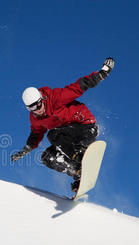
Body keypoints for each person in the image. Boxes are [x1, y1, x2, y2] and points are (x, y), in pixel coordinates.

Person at [11, 57, 115, 192]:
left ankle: (79, 156)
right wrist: (26, 149)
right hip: (68, 140)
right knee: (48, 157)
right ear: (28, 109)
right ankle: (77, 171)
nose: (38, 108)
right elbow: (36, 133)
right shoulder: (35, 119)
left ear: (41, 99)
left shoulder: (56, 98)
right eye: (33, 108)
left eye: (39, 104)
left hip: (85, 128)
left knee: (53, 134)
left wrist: (102, 73)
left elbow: (79, 86)